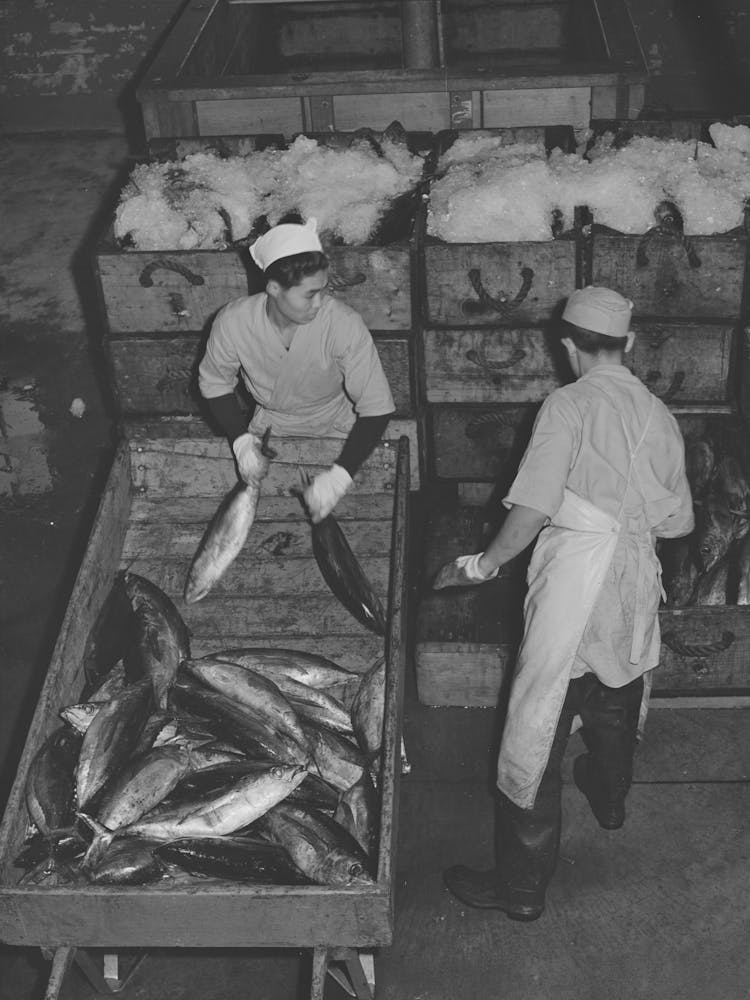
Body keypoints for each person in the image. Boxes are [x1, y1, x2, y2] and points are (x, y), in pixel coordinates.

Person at [433, 286, 694, 922]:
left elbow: (531, 511)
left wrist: (480, 564)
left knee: (538, 723)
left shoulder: (567, 405)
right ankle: (610, 799)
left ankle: (521, 891)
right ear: (629, 344)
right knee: (617, 683)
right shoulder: (659, 413)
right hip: (632, 578)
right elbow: (679, 524)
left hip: (577, 577)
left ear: (567, 345)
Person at [198, 218, 395, 520]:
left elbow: (376, 406)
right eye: (309, 294)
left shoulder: (342, 323)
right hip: (270, 434)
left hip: (337, 428)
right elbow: (215, 383)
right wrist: (240, 441)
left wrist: (340, 477)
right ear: (274, 288)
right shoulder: (234, 321)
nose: (319, 303)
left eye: (323, 290)